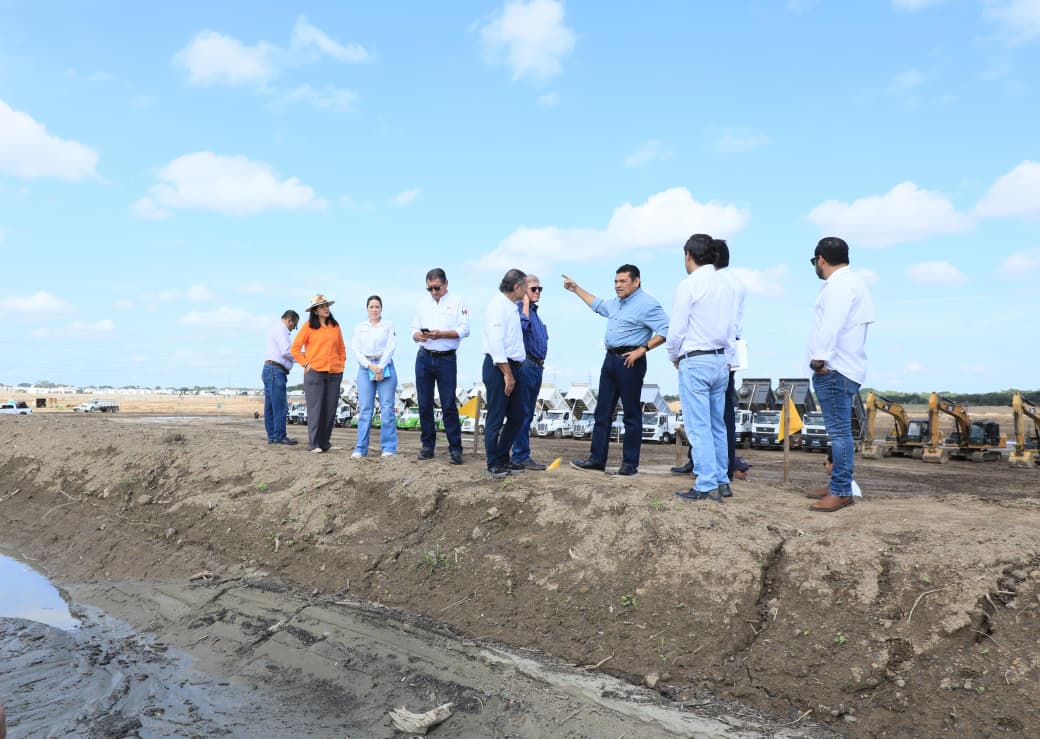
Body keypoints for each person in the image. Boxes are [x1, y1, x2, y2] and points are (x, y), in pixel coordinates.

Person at [564, 265, 668, 476]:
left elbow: (667, 330)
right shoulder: (616, 304)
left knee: (631, 415)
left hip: (630, 360)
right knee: (602, 412)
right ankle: (596, 460)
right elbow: (598, 305)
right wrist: (576, 289)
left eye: (623, 281)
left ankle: (629, 464)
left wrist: (643, 349)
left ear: (636, 281)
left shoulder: (648, 304)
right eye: (615, 282)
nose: (618, 286)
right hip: (610, 359)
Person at [807, 237, 875, 512]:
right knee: (839, 432)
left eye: (815, 261)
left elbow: (831, 323)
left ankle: (841, 490)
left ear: (821, 259)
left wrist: (818, 359)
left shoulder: (837, 285)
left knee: (839, 434)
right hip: (846, 367)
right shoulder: (855, 282)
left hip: (834, 368)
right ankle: (838, 483)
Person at [670, 239, 746, 479]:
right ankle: (722, 479)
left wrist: (674, 356)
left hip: (696, 358)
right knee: (718, 426)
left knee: (698, 427)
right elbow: (731, 327)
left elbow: (677, 330)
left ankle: (705, 483)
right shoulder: (728, 285)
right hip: (721, 359)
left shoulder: (689, 285)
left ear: (688, 254)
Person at [411, 268, 470, 464]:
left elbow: (464, 329)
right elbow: (413, 329)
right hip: (424, 356)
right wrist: (417, 335)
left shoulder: (458, 301)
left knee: (448, 405)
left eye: (437, 288)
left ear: (445, 284)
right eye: (430, 289)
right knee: (424, 403)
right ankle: (427, 446)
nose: (434, 292)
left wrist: (442, 334)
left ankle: (455, 449)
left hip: (446, 358)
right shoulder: (422, 304)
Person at [482, 269, 529, 478]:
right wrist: (507, 373)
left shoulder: (512, 307)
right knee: (496, 417)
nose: (528, 290)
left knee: (518, 415)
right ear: (517, 287)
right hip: (499, 368)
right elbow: (496, 342)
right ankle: (493, 463)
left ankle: (503, 457)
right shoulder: (497, 306)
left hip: (514, 367)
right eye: (526, 286)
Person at [291, 294, 346, 453]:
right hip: (315, 373)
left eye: (326, 305)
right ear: (315, 311)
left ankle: (325, 442)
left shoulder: (335, 326)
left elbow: (341, 348)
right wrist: (305, 363)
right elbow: (295, 348)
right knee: (316, 409)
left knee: (330, 410)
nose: (326, 308)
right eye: (322, 306)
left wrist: (341, 364)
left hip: (335, 372)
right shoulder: (308, 326)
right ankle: (314, 444)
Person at [350, 295, 398, 458]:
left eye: (377, 306)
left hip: (385, 366)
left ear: (381, 309)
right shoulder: (359, 327)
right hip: (365, 367)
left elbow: (391, 346)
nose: (374, 309)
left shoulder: (388, 325)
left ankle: (389, 448)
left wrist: (380, 367)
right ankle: (360, 448)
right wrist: (370, 366)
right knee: (365, 409)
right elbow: (356, 349)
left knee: (387, 408)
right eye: (371, 306)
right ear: (367, 309)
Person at [510, 274, 549, 471]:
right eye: (533, 289)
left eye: (539, 289)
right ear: (523, 289)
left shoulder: (535, 313)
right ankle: (520, 455)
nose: (537, 292)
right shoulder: (519, 310)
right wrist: (524, 303)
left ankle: (521, 454)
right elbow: (521, 327)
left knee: (528, 413)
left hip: (536, 366)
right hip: (526, 365)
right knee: (522, 412)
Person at [262, 309, 299, 446]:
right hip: (276, 371)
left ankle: (272, 436)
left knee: (270, 407)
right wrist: (302, 357)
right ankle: (279, 436)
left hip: (269, 370)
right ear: (290, 320)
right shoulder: (282, 330)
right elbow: (286, 351)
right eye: (294, 326)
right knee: (280, 406)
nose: (293, 329)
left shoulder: (274, 328)